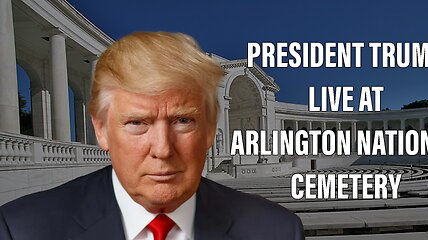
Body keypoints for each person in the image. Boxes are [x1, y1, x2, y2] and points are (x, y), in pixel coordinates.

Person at [0, 32, 304, 240]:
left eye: (183, 120)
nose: (162, 149)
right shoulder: (23, 229)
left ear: (211, 130)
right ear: (102, 130)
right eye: (137, 122)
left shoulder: (276, 230)